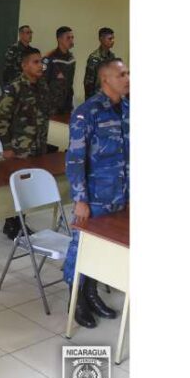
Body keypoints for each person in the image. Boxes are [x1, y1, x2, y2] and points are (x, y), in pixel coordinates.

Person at [63, 58, 129, 329]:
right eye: (122, 74)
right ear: (106, 79)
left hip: (120, 194)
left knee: (105, 250)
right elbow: (75, 159)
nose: (128, 78)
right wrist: (80, 199)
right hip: (95, 197)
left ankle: (91, 293)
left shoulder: (127, 108)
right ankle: (75, 299)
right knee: (82, 248)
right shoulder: (87, 112)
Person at [0, 47, 52, 239]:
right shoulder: (15, 87)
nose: (40, 66)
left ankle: (20, 222)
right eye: (35, 62)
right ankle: (11, 224)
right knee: (16, 187)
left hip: (37, 146)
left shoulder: (43, 86)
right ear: (24, 65)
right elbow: (2, 119)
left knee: (28, 187)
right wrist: (6, 146)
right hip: (19, 148)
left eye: (41, 62)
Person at [42, 26, 76, 115]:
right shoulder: (50, 58)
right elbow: (42, 82)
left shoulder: (71, 58)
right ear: (59, 39)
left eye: (72, 37)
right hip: (51, 106)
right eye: (68, 38)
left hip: (66, 105)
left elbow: (70, 83)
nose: (71, 40)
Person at [83, 27, 116, 99]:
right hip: (96, 98)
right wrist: (90, 102)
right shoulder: (94, 58)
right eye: (110, 39)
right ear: (101, 39)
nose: (113, 41)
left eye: (113, 38)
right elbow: (88, 83)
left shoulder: (112, 57)